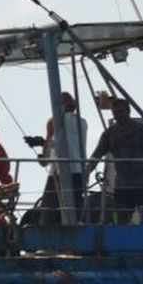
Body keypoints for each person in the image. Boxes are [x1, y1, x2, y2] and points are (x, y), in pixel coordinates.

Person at [85, 97, 143, 223]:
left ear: (128, 111)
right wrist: (86, 172)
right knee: (120, 217)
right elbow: (97, 155)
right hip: (123, 184)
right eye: (115, 112)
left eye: (120, 111)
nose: (118, 115)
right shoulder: (109, 134)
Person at [37, 92, 88, 225]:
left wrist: (44, 144)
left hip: (59, 172)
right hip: (78, 170)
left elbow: (46, 159)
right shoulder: (82, 123)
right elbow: (68, 141)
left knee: (48, 214)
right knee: (74, 212)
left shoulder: (54, 122)